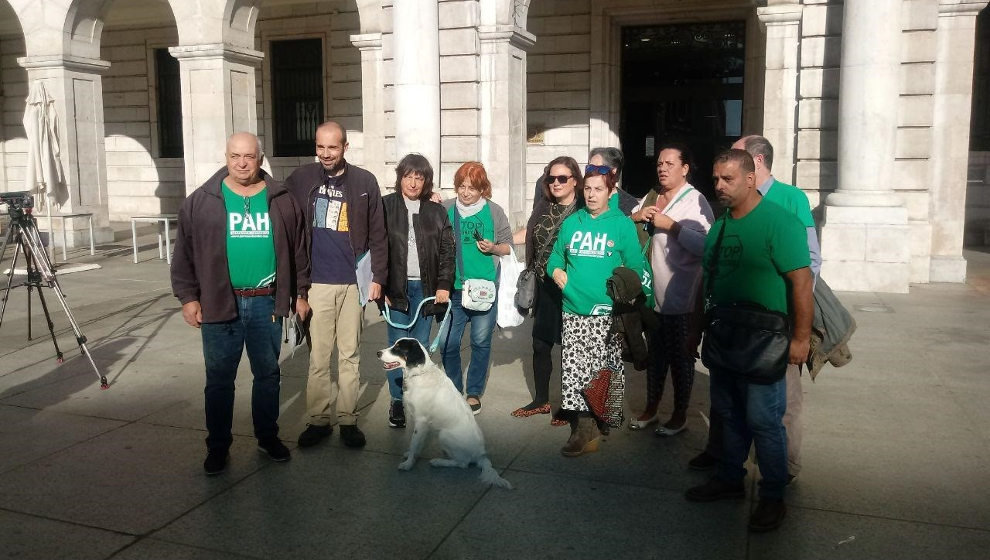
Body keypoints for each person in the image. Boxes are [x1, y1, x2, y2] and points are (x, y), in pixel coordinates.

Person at [684, 149, 812, 533]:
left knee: (765, 422)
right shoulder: (719, 226)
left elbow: (802, 283)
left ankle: (773, 495)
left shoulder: (781, 222)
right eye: (716, 179)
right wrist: (695, 330)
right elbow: (706, 283)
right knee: (728, 414)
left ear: (751, 178)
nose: (719, 186)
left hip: (766, 340)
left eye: (728, 179)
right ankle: (729, 478)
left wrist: (801, 339)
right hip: (725, 336)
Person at [171, 132, 311, 475]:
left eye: (249, 156)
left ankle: (267, 437)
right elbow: (183, 254)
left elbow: (298, 250)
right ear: (226, 156)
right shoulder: (201, 200)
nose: (242, 163)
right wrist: (188, 297)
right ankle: (218, 446)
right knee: (219, 379)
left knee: (267, 374)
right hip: (220, 302)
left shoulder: (281, 198)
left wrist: (301, 294)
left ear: (260, 159)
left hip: (266, 303)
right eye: (235, 156)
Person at [284, 121, 387, 449]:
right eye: (320, 147)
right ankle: (318, 419)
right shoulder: (300, 179)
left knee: (350, 354)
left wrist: (378, 277)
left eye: (333, 147)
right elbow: (278, 209)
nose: (326, 154)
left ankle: (348, 419)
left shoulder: (364, 181)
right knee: (318, 357)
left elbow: (379, 234)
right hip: (316, 283)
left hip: (352, 283)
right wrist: (297, 288)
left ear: (345, 147)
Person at [547, 166, 652, 457]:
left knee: (605, 368)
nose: (592, 195)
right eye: (588, 189)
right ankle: (584, 425)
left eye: (599, 189)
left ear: (610, 192)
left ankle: (603, 416)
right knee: (576, 369)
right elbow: (556, 254)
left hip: (608, 312)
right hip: (574, 309)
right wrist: (555, 270)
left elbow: (635, 266)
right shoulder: (572, 222)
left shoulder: (621, 225)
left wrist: (630, 293)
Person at [628, 143, 713, 435]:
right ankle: (651, 408)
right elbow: (627, 229)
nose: (662, 168)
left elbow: (706, 247)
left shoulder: (696, 201)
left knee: (681, 359)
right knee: (655, 358)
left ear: (685, 169)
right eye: (659, 164)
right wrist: (637, 217)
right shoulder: (652, 196)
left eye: (669, 163)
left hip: (682, 298)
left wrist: (672, 226)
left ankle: (679, 414)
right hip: (651, 295)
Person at [381, 154, 455, 428]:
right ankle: (397, 401)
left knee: (420, 351)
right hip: (396, 291)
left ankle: (419, 398)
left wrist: (444, 285)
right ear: (400, 177)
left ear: (426, 181)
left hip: (425, 291)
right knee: (397, 350)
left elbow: (447, 251)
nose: (413, 183)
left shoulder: (436, 212)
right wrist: (381, 283)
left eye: (419, 177)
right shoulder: (385, 206)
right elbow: (377, 248)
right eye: (408, 176)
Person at [511, 156, 583, 421]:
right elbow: (529, 232)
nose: (556, 183)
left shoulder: (583, 209)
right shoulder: (543, 205)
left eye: (562, 178)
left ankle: (570, 405)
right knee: (540, 345)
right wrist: (501, 241)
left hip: (571, 288)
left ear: (575, 180)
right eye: (551, 178)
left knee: (571, 348)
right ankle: (541, 400)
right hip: (543, 286)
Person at [440, 162, 513, 414]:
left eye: (472, 188)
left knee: (480, 343)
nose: (466, 192)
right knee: (447, 343)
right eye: (462, 186)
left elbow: (508, 246)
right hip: (453, 290)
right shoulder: (445, 208)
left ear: (483, 189)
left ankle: (473, 392)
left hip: (484, 289)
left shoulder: (494, 211)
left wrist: (493, 248)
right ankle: (452, 387)